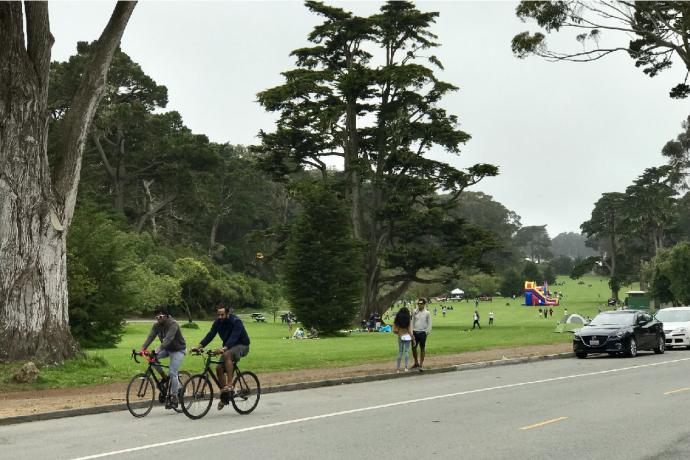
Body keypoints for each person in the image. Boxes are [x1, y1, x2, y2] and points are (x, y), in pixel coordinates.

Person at [191, 305, 250, 411]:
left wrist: (223, 348)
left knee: (227, 354)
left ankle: (230, 384)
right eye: (218, 315)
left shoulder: (236, 321)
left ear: (228, 313)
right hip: (228, 347)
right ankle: (225, 396)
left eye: (222, 314)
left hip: (242, 345)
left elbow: (234, 337)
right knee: (218, 368)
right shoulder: (217, 322)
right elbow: (210, 335)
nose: (220, 317)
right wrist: (198, 347)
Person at [141, 307, 187, 409]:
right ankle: (165, 378)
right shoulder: (156, 325)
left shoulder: (173, 324)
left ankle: (175, 397)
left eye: (160, 316)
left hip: (178, 350)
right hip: (167, 349)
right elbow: (150, 337)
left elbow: (169, 338)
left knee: (173, 372)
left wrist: (159, 348)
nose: (158, 319)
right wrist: (143, 348)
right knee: (152, 358)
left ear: (166, 315)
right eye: (156, 317)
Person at [411, 298, 432, 371]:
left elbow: (429, 323)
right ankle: (416, 362)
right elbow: (412, 322)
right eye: (418, 304)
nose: (419, 305)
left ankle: (421, 364)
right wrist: (411, 331)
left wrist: (427, 332)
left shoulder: (427, 313)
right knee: (414, 348)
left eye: (421, 304)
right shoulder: (415, 312)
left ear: (424, 304)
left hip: (422, 333)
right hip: (415, 332)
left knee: (422, 348)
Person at [393, 307, 415, 372]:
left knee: (400, 352)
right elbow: (410, 330)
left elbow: (395, 330)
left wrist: (398, 332)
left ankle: (398, 368)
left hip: (400, 336)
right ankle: (406, 367)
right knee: (406, 352)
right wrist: (413, 339)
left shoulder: (397, 319)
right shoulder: (408, 319)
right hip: (407, 336)